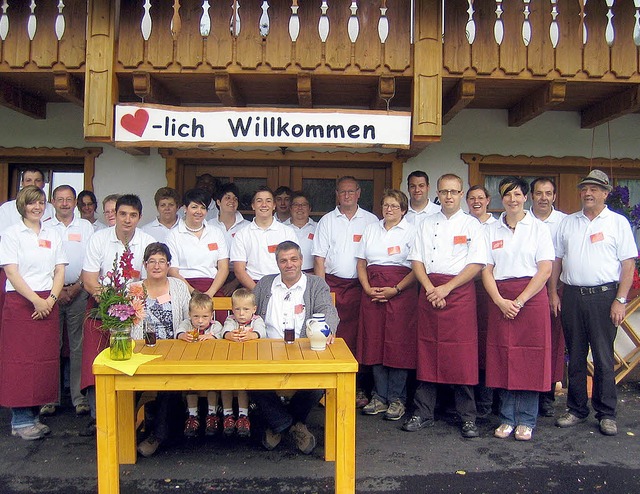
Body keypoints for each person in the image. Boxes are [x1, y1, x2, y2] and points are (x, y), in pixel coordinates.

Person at [551, 170, 636, 437]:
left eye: (595, 189)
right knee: (575, 356)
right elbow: (557, 261)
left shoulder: (617, 222)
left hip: (604, 297)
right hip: (573, 295)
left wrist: (620, 300)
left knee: (602, 356)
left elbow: (628, 264)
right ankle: (576, 409)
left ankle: (606, 413)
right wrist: (554, 292)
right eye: (585, 188)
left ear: (606, 193)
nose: (588, 193)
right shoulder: (568, 222)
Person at [401, 174, 485, 438]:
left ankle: (468, 417)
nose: (449, 196)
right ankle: (423, 412)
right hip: (430, 291)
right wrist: (430, 289)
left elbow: (477, 263)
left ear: (461, 194)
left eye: (454, 192)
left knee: (462, 356)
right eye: (444, 192)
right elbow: (417, 260)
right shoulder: (426, 224)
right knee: (427, 350)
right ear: (438, 194)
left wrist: (447, 289)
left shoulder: (471, 225)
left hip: (459, 294)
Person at [482, 177, 554, 441]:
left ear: (526, 197)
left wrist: (520, 301)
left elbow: (545, 270)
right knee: (504, 357)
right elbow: (486, 269)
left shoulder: (538, 229)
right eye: (507, 195)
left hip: (531, 300)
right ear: (502, 199)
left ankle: (526, 419)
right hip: (500, 299)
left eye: (518, 194)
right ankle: (506, 418)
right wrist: (501, 301)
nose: (513, 199)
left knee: (529, 359)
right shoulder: (492, 230)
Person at [252, 241, 339, 454]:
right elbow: (248, 310)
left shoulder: (316, 284)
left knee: (318, 381)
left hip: (303, 350)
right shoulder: (265, 284)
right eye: (283, 260)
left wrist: (325, 329)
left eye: (293, 259)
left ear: (301, 260)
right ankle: (292, 426)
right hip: (266, 350)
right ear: (277, 263)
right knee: (249, 378)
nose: (289, 264)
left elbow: (328, 310)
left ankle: (278, 424)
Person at [80, 194, 155, 435]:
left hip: (136, 307)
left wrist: (129, 306)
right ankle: (98, 415)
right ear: (115, 215)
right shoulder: (98, 239)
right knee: (97, 358)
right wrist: (112, 304)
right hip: (102, 305)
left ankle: (131, 415)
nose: (127, 219)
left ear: (140, 217)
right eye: (123, 214)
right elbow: (89, 279)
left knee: (134, 359)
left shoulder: (147, 241)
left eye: (133, 215)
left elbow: (149, 279)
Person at [0, 185, 67, 440]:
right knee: (20, 363)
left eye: (40, 202)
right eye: (31, 203)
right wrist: (35, 300)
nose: (37, 207)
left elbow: (60, 269)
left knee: (43, 361)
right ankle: (20, 420)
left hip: (47, 301)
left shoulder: (52, 232)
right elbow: (11, 272)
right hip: (21, 303)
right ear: (22, 206)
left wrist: (49, 299)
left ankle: (35, 415)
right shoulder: (11, 233)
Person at [312, 176, 377, 407]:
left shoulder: (371, 220)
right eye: (343, 192)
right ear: (337, 195)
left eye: (351, 191)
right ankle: (325, 388)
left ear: (359, 193)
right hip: (333, 287)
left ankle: (358, 388)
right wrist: (322, 293)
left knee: (359, 338)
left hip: (360, 288)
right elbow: (319, 259)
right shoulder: (327, 221)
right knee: (330, 336)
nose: (347, 195)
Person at [356, 190, 417, 421]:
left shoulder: (412, 231)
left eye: (394, 206)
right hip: (372, 291)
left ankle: (397, 398)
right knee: (375, 343)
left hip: (401, 292)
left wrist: (396, 289)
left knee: (398, 345)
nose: (389, 209)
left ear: (403, 210)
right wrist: (366, 287)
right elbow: (361, 263)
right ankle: (379, 397)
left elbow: (416, 267)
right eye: (385, 205)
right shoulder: (372, 229)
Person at [131, 243, 191, 457]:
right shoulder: (133, 288)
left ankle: (157, 436)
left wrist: (183, 334)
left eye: (162, 261)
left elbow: (188, 318)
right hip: (140, 353)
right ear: (145, 265)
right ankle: (123, 433)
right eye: (152, 261)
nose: (157, 266)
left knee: (170, 384)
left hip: (174, 352)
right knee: (127, 387)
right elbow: (120, 322)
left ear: (168, 265)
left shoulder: (178, 287)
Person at [42, 185, 93, 417]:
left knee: (78, 345)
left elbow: (91, 260)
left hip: (79, 290)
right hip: (49, 293)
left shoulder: (85, 227)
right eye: (60, 199)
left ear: (75, 202)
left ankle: (78, 397)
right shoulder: (43, 227)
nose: (64, 203)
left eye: (69, 199)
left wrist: (77, 286)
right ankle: (49, 398)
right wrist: (56, 290)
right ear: (52, 201)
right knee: (51, 345)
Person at [529, 177, 568, 417]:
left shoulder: (564, 222)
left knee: (552, 343)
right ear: (531, 196)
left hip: (554, 290)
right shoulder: (521, 219)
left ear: (554, 196)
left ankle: (547, 394)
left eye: (548, 193)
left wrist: (554, 292)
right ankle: (526, 392)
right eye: (539, 193)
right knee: (527, 342)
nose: (543, 197)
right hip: (524, 288)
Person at [217, 288, 266, 437]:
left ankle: (243, 415)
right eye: (237, 309)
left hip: (251, 362)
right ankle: (227, 414)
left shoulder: (257, 320)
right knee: (226, 383)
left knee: (243, 385)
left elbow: (262, 332)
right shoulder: (231, 320)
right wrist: (230, 335)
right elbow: (224, 332)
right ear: (232, 310)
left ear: (254, 309)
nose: (241, 313)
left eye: (246, 309)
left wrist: (251, 335)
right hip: (231, 361)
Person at [175, 293, 224, 439]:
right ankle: (192, 415)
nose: (200, 321)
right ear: (189, 314)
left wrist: (211, 337)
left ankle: (212, 413)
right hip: (190, 364)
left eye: (204, 317)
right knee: (191, 385)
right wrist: (183, 336)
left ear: (211, 315)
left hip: (212, 364)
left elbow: (221, 336)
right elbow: (178, 333)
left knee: (212, 385)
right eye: (196, 317)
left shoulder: (215, 326)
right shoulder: (186, 324)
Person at [466, 185, 497, 418]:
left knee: (488, 345)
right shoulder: (463, 224)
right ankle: (466, 400)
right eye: (471, 198)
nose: (476, 202)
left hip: (490, 292)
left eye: (480, 198)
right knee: (467, 345)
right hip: (465, 289)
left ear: (488, 200)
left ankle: (487, 403)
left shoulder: (497, 227)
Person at [166, 188, 229, 298]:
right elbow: (172, 271)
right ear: (185, 208)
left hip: (212, 287)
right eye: (194, 207)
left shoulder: (216, 233)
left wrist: (210, 293)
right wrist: (193, 292)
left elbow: (223, 268)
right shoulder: (173, 235)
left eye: (203, 208)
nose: (199, 212)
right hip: (183, 287)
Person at [231, 186, 297, 290]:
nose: (264, 205)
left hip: (282, 286)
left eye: (268, 201)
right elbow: (239, 270)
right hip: (252, 287)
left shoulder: (287, 232)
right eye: (259, 201)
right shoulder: (242, 234)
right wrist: (258, 291)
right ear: (253, 205)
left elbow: (294, 263)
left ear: (274, 205)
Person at [208, 183, 250, 296]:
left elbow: (252, 260)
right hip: (214, 276)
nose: (232, 201)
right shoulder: (208, 226)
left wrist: (235, 282)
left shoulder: (248, 227)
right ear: (218, 202)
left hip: (243, 277)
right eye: (227, 197)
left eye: (235, 199)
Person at [0, 168, 55, 236]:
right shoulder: (6, 208)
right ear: (22, 183)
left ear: (43, 184)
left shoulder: (52, 208)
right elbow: (3, 235)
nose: (33, 184)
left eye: (37, 180)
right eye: (28, 180)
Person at [285, 192, 316, 272]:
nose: (300, 208)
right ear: (290, 208)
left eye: (304, 205)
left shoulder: (318, 228)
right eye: (296, 205)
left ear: (309, 208)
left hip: (312, 274)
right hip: (287, 273)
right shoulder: (281, 228)